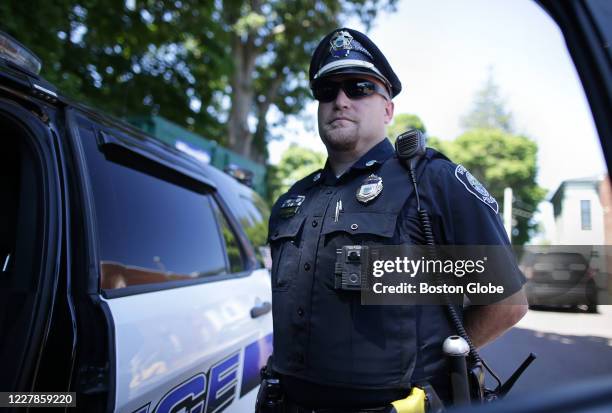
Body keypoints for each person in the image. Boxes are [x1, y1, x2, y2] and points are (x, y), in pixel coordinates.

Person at [266, 27, 528, 412]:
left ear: (388, 109)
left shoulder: (433, 182)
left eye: (357, 88)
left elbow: (507, 303)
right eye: (327, 91)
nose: (340, 100)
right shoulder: (293, 200)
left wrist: (438, 370)